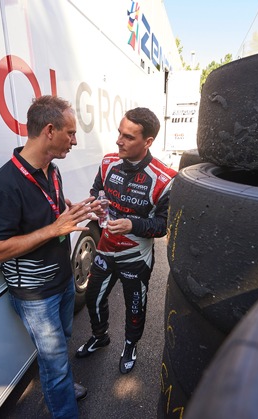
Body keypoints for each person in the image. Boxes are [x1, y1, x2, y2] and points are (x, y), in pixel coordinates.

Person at [0, 95, 100, 418]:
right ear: (49, 130)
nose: (75, 141)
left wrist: (71, 210)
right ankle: (64, 405)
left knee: (62, 345)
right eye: (70, 133)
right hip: (36, 295)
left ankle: (62, 386)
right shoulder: (3, 186)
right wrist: (53, 229)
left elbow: (50, 214)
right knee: (55, 361)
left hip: (62, 280)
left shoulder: (52, 170)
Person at [75, 107, 177, 374]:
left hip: (136, 256)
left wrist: (134, 224)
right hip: (105, 249)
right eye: (119, 133)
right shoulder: (108, 163)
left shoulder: (165, 178)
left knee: (135, 307)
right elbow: (97, 190)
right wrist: (98, 203)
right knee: (93, 298)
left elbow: (164, 226)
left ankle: (131, 345)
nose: (119, 141)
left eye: (128, 137)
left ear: (148, 141)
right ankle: (100, 336)